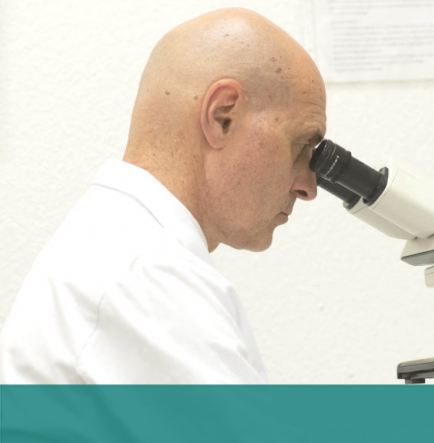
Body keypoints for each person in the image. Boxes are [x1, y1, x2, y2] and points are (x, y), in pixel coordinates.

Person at [0, 8, 325, 383]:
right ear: (223, 116)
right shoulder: (144, 275)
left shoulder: (122, 245)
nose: (308, 187)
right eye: (301, 145)